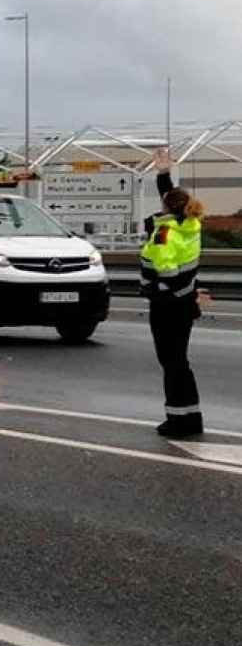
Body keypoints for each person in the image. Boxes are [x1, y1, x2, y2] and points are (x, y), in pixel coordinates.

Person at [141, 149, 207, 438]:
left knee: (171, 362)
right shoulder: (190, 226)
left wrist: (151, 288)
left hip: (168, 305)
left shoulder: (166, 234)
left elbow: (167, 272)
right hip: (184, 303)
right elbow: (171, 197)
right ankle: (191, 417)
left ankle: (178, 422)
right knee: (179, 361)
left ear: (167, 209)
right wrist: (163, 174)